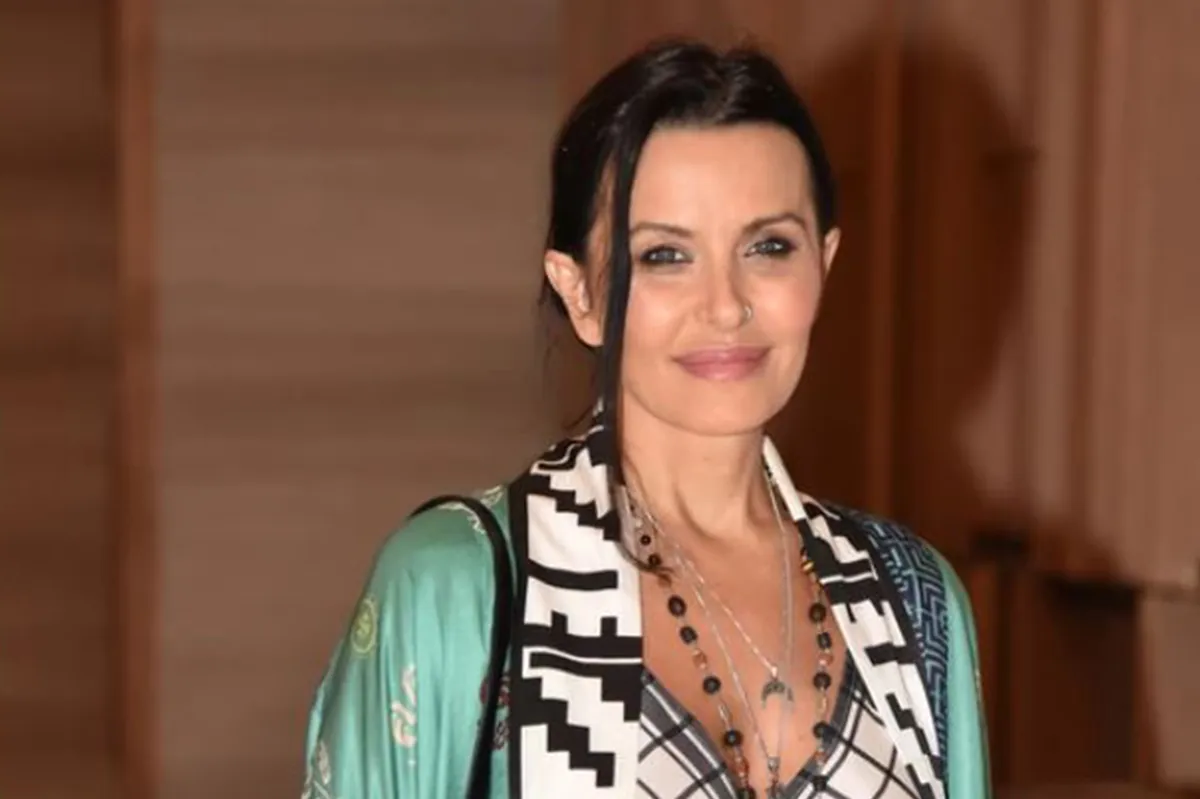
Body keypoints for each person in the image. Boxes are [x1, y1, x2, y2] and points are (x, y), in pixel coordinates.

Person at [301, 39, 990, 799]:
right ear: (579, 293)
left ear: (823, 264)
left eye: (768, 246)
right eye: (664, 256)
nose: (726, 305)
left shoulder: (911, 598)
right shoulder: (463, 585)